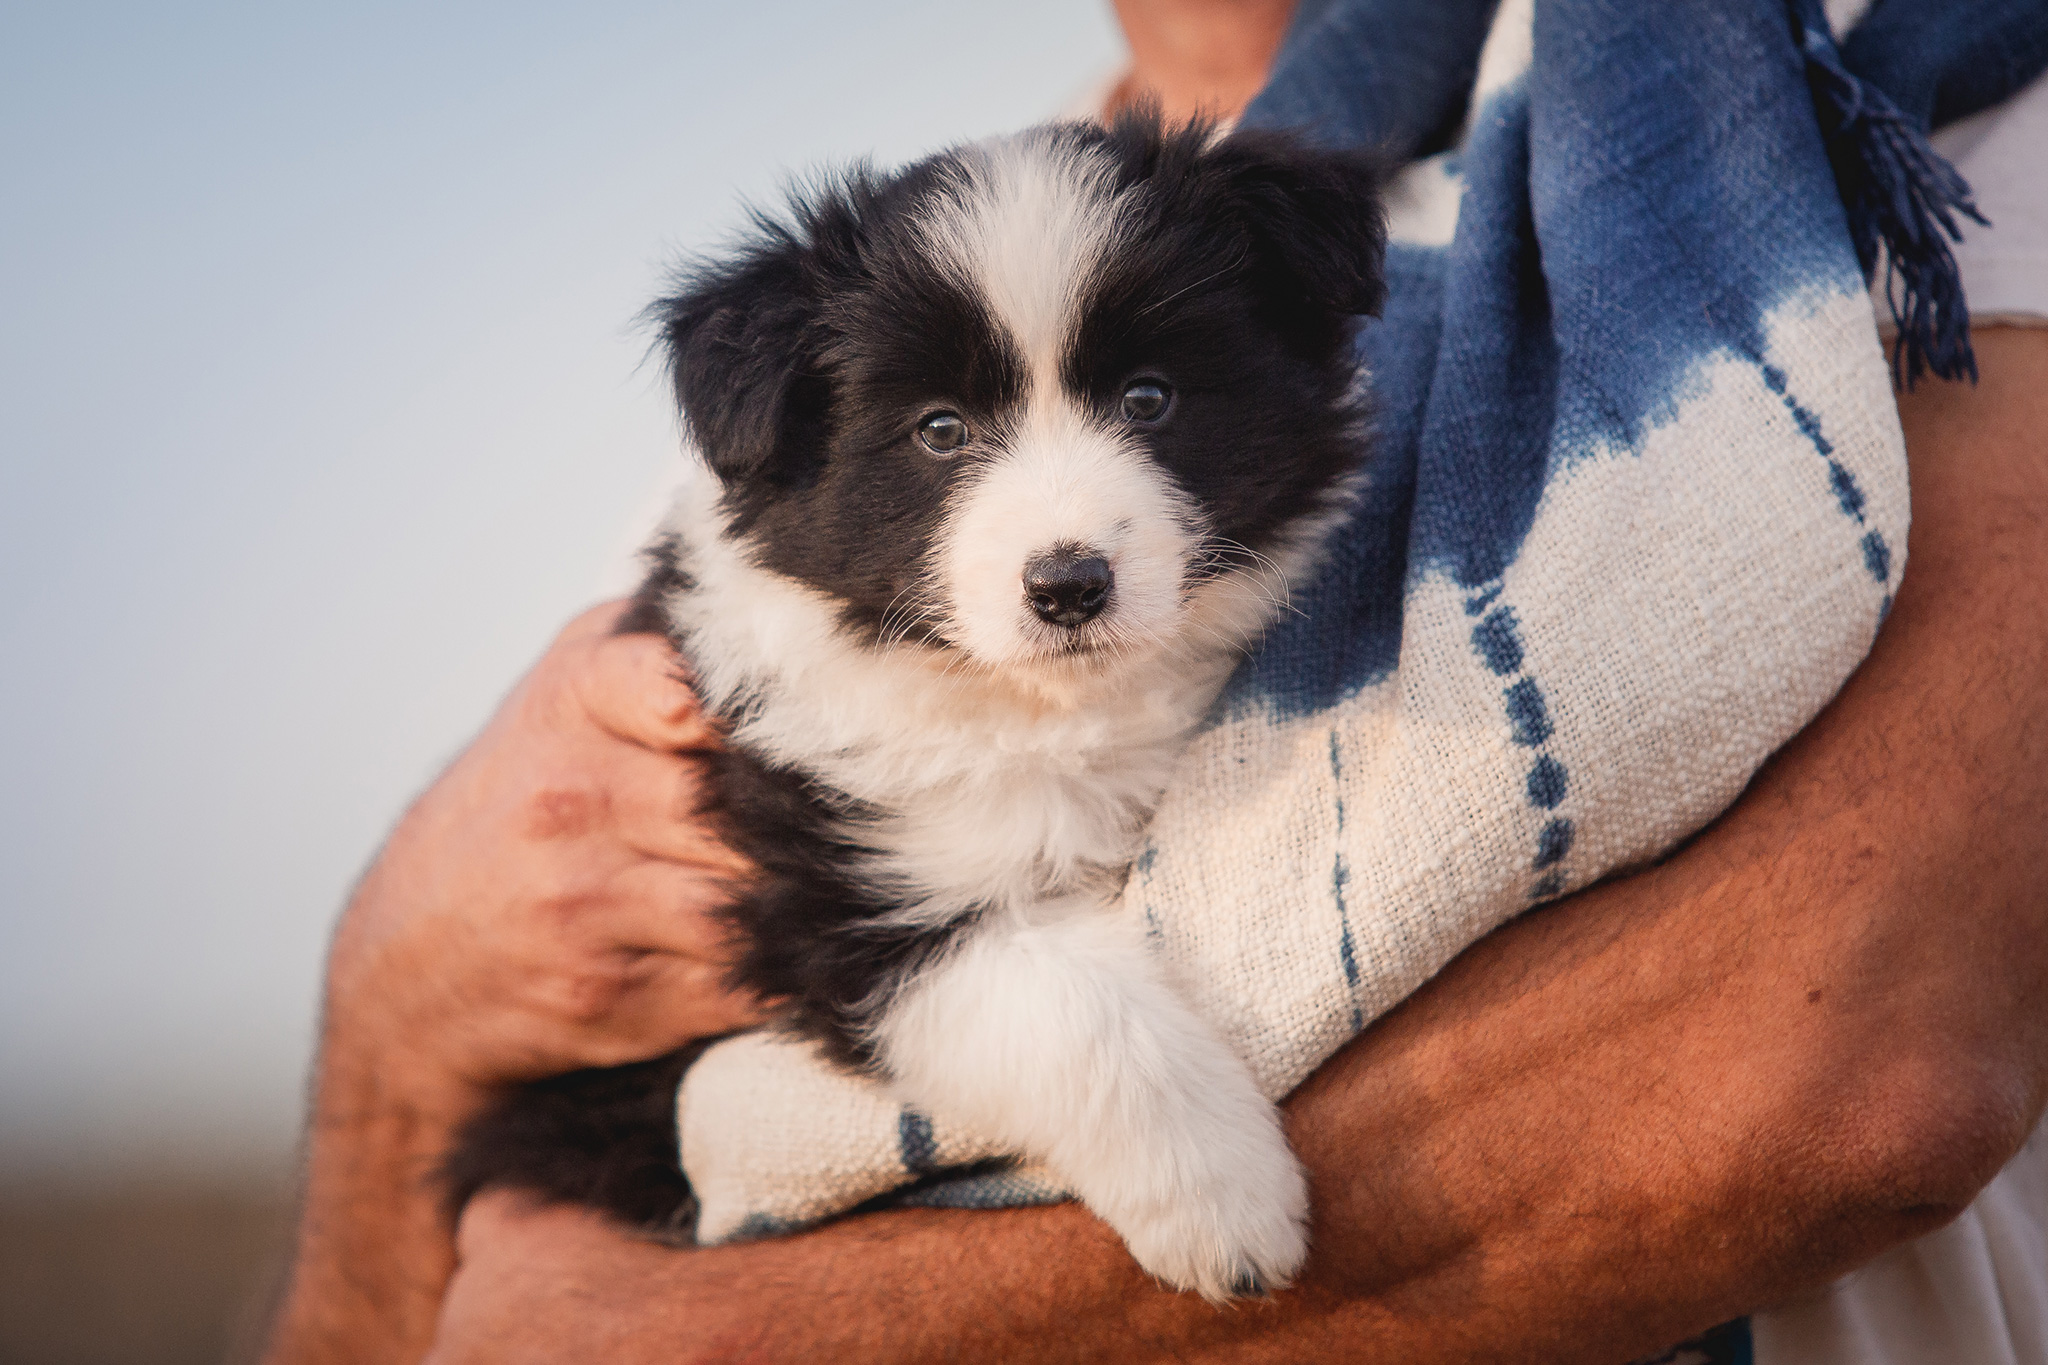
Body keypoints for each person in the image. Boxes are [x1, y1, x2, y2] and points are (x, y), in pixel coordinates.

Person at [259, 4, 2048, 1362]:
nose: (1059, 521)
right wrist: (401, 981)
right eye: (949, 429)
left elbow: (1842, 1081)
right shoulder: (811, 416)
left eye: (1141, 399)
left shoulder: (1887, 89)